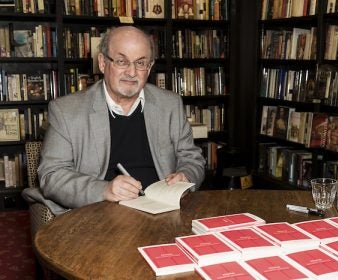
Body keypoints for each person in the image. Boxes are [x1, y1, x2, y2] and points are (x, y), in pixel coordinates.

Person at [22, 26, 205, 215]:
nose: (132, 72)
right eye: (121, 61)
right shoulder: (66, 111)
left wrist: (186, 175)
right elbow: (52, 176)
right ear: (102, 63)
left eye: (141, 63)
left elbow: (192, 158)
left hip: (164, 212)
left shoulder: (170, 104)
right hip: (97, 215)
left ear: (149, 67)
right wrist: (104, 189)